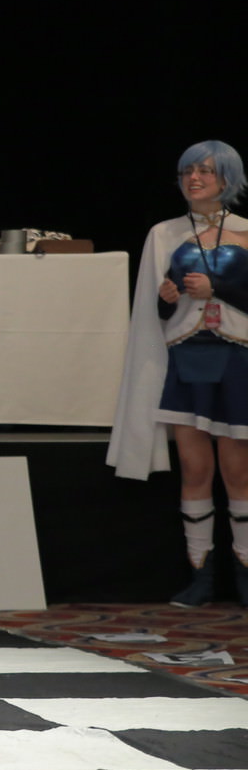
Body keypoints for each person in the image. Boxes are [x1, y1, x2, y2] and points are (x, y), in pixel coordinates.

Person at [108, 140, 248, 606]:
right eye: (188, 171)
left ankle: (244, 575)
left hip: (238, 359)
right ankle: (200, 577)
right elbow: (153, 313)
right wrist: (166, 300)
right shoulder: (163, 233)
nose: (195, 179)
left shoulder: (247, 231)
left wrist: (219, 287)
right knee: (194, 467)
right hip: (187, 359)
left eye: (205, 171)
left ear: (227, 178)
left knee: (238, 470)